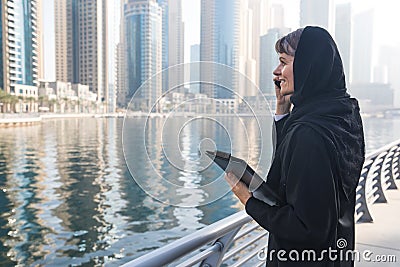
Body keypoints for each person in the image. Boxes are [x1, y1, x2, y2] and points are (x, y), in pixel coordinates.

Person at [225, 26, 365, 266]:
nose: (276, 71)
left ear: (307, 66)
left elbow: (307, 228)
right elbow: (293, 165)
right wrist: (282, 111)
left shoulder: (309, 132)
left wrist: (249, 202)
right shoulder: (341, 113)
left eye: (283, 62)